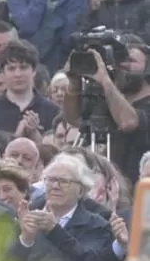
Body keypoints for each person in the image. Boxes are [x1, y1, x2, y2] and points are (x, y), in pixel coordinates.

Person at [61, 38, 150, 185]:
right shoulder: (108, 97)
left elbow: (128, 122)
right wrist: (74, 84)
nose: (122, 65)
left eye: (130, 60)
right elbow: (74, 118)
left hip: (136, 186)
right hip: (103, 184)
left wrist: (105, 80)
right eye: (118, 61)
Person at [0, 40, 60, 136]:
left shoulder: (52, 111)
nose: (17, 74)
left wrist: (35, 134)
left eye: (23, 67)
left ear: (34, 70)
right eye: (11, 68)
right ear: (3, 72)